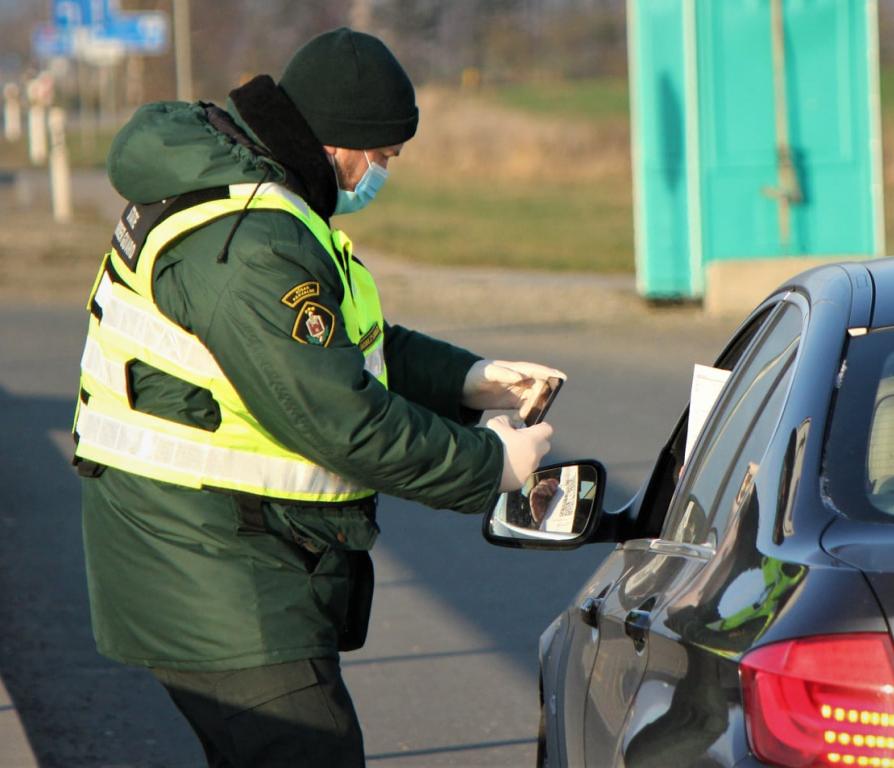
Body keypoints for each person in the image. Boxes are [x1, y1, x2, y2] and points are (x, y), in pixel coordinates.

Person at [71, 28, 561, 767]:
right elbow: (338, 418)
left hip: (223, 548)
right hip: (210, 565)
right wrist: (491, 465)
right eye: (385, 158)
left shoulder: (256, 195)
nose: (382, 175)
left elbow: (336, 346)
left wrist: (468, 378)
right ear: (341, 145)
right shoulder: (253, 241)